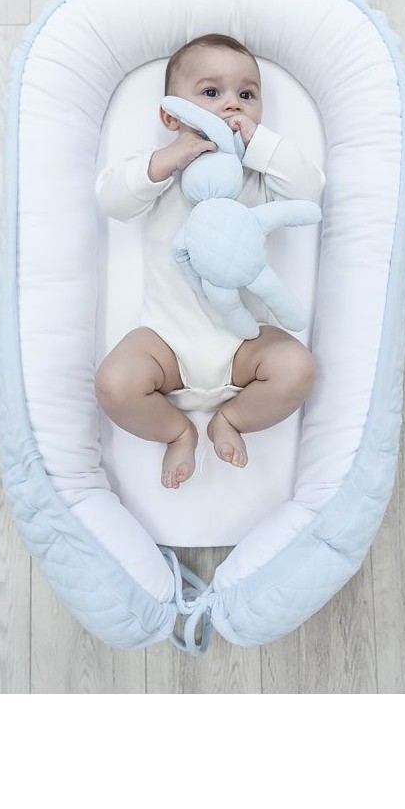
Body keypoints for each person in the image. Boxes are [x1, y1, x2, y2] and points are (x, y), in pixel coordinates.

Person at [94, 34, 325, 490]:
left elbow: (309, 190)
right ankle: (177, 432)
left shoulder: (258, 175)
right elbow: (113, 201)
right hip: (166, 341)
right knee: (114, 384)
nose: (232, 105)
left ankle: (230, 419)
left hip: (244, 343)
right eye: (211, 92)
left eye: (247, 95)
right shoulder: (162, 171)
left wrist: (262, 145)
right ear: (171, 115)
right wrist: (166, 160)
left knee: (297, 369)